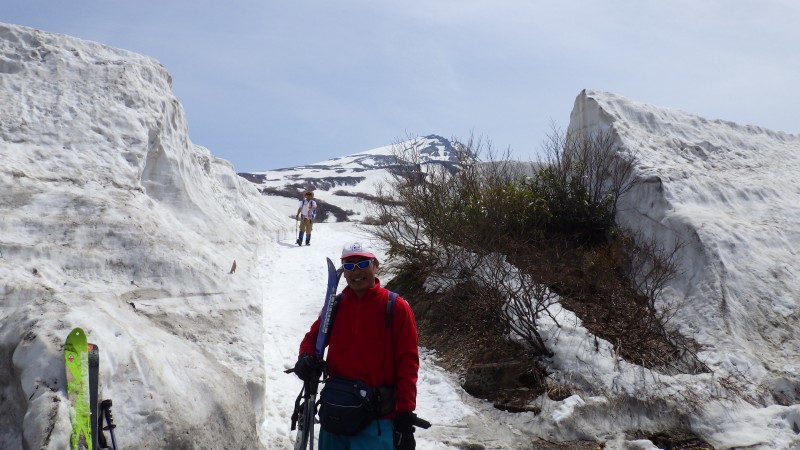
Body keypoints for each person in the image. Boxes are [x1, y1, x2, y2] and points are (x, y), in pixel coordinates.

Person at [294, 242, 420, 450]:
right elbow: (312, 339)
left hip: (376, 422)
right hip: (335, 415)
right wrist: (306, 357)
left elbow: (408, 364)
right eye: (349, 266)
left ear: (376, 266)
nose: (356, 271)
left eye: (362, 263)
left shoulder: (396, 308)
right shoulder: (336, 305)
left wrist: (405, 416)